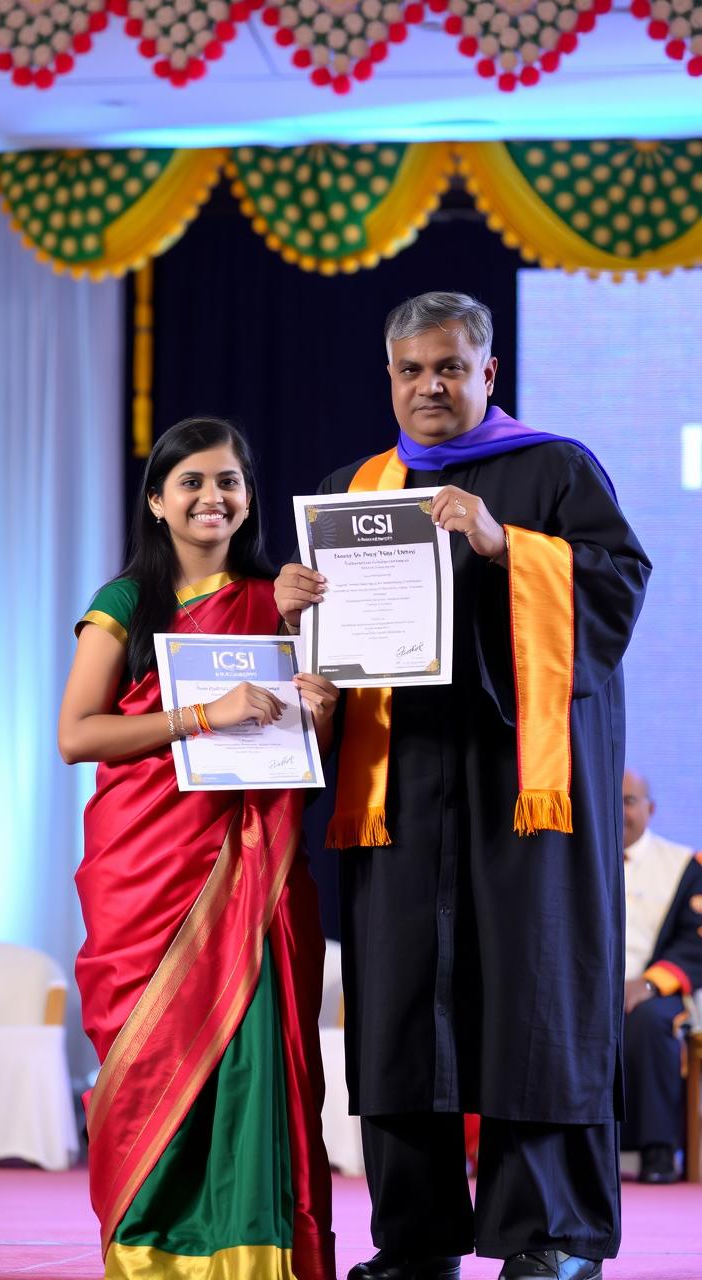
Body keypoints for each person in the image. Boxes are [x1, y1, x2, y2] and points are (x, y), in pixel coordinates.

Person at [274, 293, 652, 1280]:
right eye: (410, 369)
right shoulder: (357, 486)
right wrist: (295, 617)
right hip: (399, 787)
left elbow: (614, 590)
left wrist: (505, 545)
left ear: (488, 373)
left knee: (533, 998)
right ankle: (416, 1235)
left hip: (520, 787)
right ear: (390, 376)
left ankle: (553, 1233)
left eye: (449, 366)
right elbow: (327, 663)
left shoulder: (553, 469)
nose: (429, 385)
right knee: (402, 1009)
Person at [59, 417, 338, 1280]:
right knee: (153, 1060)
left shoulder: (279, 598)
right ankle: (154, 1253)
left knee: (255, 1055)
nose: (212, 497)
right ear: (157, 500)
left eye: (229, 482)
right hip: (146, 867)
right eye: (192, 482)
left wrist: (321, 710)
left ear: (249, 498)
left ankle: (253, 1255)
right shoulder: (125, 603)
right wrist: (202, 716)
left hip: (254, 866)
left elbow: (307, 731)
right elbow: (77, 735)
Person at [621, 767, 702, 1184]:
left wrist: (649, 983)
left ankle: (658, 1150)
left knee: (651, 1023)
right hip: (584, 988)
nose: (620, 812)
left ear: (650, 809)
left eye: (629, 801)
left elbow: (695, 940)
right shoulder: (574, 857)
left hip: (653, 989)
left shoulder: (683, 865)